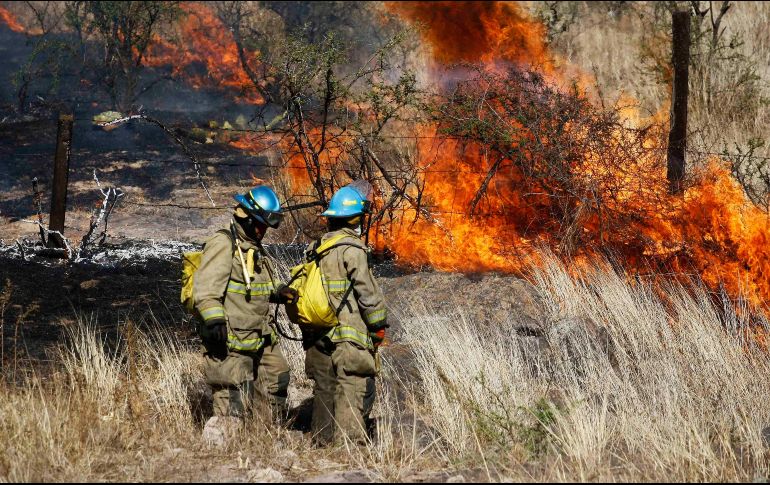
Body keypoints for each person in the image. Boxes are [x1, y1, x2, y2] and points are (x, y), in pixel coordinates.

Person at [193, 186, 297, 433]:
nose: (263, 232)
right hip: (231, 338)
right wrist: (214, 320)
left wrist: (278, 293)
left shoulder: (251, 247)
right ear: (247, 218)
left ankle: (264, 434)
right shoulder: (223, 243)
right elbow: (205, 289)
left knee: (277, 376)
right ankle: (226, 447)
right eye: (260, 225)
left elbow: (254, 286)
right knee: (231, 392)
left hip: (259, 335)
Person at [302, 186, 388, 445]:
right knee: (352, 381)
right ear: (356, 219)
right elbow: (367, 293)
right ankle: (348, 447)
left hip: (318, 331)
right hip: (347, 333)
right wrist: (377, 327)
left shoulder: (316, 247)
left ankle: (321, 442)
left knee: (325, 386)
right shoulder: (353, 249)